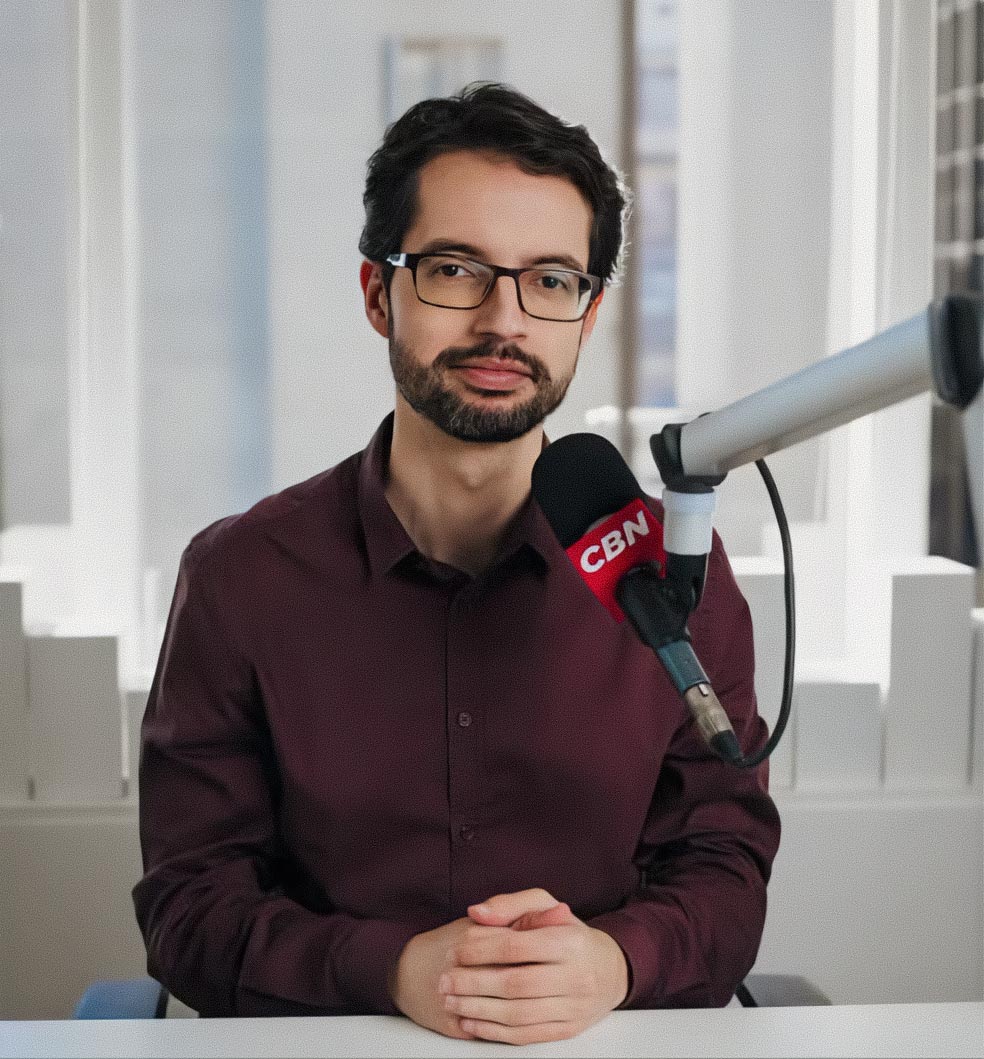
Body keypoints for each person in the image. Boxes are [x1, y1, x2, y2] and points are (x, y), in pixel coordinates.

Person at [133, 83, 780, 1045]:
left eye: (551, 279)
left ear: (589, 313)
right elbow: (189, 904)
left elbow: (724, 864)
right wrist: (390, 969)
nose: (504, 321)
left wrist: (616, 960)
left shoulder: (674, 574)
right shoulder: (241, 579)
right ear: (375, 291)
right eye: (455, 269)